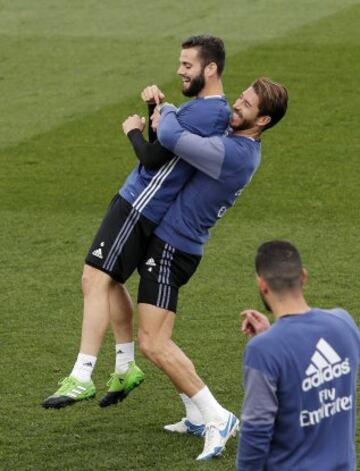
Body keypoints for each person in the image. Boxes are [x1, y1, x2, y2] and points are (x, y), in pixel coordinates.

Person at [42, 35, 231, 409]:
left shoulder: (204, 112)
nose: (180, 70)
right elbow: (167, 148)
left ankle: (82, 375)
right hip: (140, 203)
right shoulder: (206, 112)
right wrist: (155, 111)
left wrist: (133, 128)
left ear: (211, 69)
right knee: (109, 283)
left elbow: (152, 157)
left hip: (139, 204)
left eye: (188, 65)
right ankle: (126, 367)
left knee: (93, 278)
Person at [126, 78, 288, 460]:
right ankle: (196, 414)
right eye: (240, 98)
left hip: (172, 248)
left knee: (152, 343)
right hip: (179, 245)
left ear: (262, 120)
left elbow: (170, 135)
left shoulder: (234, 153)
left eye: (246, 106)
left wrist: (160, 109)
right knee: (161, 340)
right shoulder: (242, 146)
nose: (236, 106)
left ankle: (218, 417)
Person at [237, 241, 360, 470]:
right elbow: (305, 347)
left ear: (262, 284)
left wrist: (269, 339)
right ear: (303, 276)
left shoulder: (263, 350)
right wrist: (270, 334)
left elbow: (256, 429)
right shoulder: (343, 323)